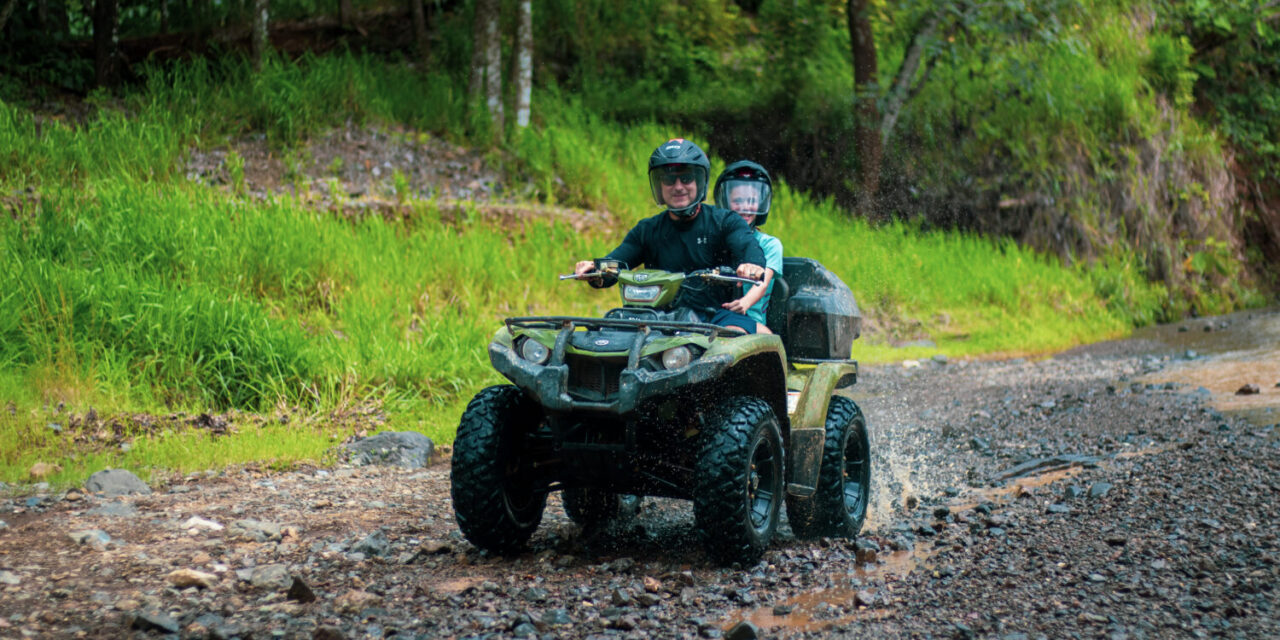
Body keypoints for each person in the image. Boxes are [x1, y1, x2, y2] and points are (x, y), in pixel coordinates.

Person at [573, 139, 766, 333]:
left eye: (686, 178)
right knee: (606, 337)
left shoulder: (725, 221)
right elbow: (617, 262)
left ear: (700, 181)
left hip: (716, 315)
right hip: (656, 317)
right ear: (659, 186)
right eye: (669, 180)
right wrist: (595, 270)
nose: (678, 186)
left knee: (736, 337)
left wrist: (751, 265)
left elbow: (749, 248)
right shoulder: (647, 229)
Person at [713, 160, 782, 335]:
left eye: (751, 201)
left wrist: (744, 303)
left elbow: (762, 283)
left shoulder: (770, 244)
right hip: (714, 316)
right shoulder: (715, 239)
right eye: (738, 201)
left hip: (751, 321)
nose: (745, 207)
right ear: (725, 201)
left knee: (736, 332)